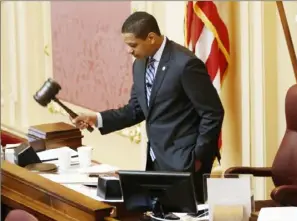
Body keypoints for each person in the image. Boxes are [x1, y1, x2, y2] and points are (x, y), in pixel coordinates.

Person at [72, 11, 224, 203]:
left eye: (133, 45)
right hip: (155, 161)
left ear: (151, 38)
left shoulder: (185, 64)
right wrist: (97, 118)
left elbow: (212, 112)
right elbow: (136, 110)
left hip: (184, 162)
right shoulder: (139, 65)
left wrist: (198, 158)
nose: (129, 50)